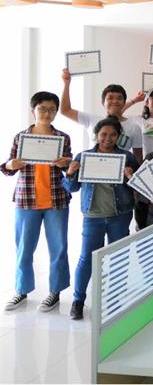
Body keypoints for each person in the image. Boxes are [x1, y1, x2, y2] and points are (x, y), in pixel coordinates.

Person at [2, 91, 72, 312]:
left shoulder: (63, 138)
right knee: (24, 248)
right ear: (33, 110)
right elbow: (8, 166)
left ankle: (55, 292)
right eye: (42, 109)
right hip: (27, 200)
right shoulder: (21, 137)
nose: (47, 113)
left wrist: (66, 163)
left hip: (56, 200)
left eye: (52, 109)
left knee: (58, 249)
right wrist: (11, 165)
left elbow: (70, 168)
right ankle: (21, 291)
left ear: (56, 112)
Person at [62, 117, 139, 320]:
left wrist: (131, 176)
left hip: (120, 215)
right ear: (96, 135)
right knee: (86, 258)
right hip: (93, 215)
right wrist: (70, 172)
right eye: (104, 134)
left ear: (119, 136)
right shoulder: (84, 156)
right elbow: (72, 188)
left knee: (119, 258)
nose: (108, 138)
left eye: (113, 135)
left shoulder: (127, 157)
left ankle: (114, 299)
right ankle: (78, 300)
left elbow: (138, 187)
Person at [61, 69, 143, 162]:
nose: (115, 101)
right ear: (103, 102)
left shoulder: (134, 127)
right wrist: (66, 84)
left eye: (119, 98)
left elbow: (138, 158)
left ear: (124, 102)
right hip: (92, 167)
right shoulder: (91, 119)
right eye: (110, 98)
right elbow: (65, 110)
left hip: (121, 170)